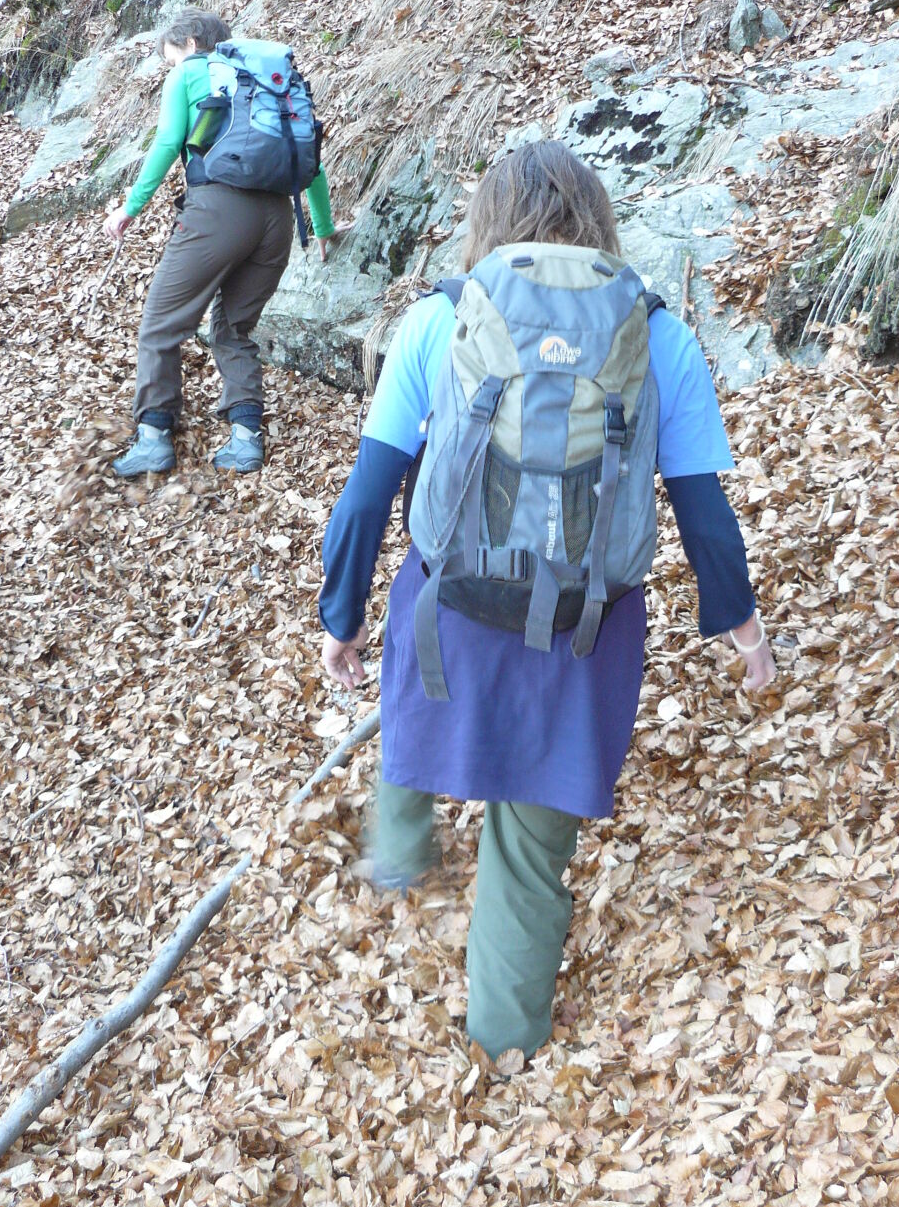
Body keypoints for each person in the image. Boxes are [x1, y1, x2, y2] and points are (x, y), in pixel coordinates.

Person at [317, 141, 777, 1062]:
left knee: (413, 692)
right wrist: (742, 625)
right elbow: (702, 507)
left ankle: (401, 854)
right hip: (587, 629)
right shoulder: (656, 334)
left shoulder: (439, 322)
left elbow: (368, 495)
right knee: (529, 854)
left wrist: (343, 617)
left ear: (487, 220)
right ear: (597, 220)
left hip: (453, 605)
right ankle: (503, 1045)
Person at [104, 7, 344, 478]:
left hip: (218, 211)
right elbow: (307, 154)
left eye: (170, 58)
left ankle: (153, 437)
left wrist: (130, 208)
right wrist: (322, 226)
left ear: (191, 42)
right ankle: (246, 437)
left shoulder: (191, 73)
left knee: (160, 324)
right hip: (277, 218)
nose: (172, 67)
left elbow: (169, 140)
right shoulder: (265, 84)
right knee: (233, 328)